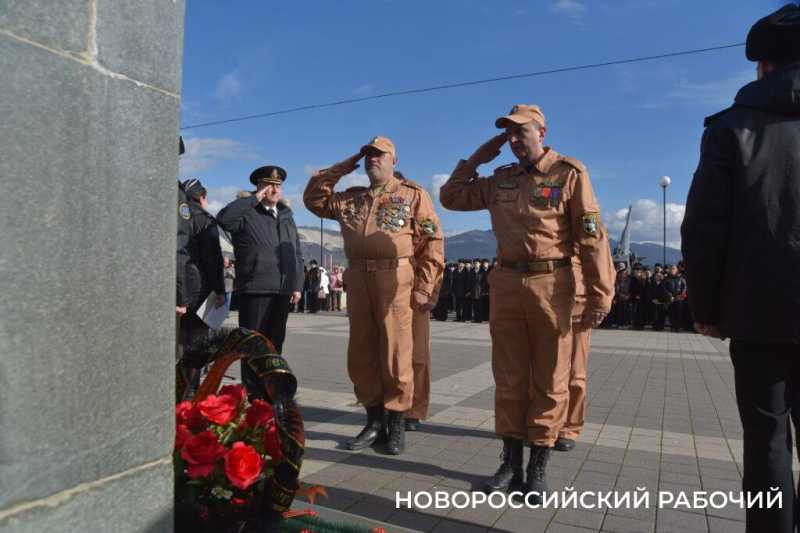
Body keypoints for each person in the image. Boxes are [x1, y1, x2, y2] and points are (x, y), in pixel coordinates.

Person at [440, 104, 614, 501]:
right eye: (510, 134)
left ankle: (538, 465)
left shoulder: (568, 173)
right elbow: (451, 197)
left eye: (522, 132)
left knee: (551, 379)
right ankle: (509, 462)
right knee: (509, 377)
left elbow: (592, 237)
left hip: (554, 284)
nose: (516, 141)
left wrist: (601, 293)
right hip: (506, 283)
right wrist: (479, 157)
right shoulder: (499, 179)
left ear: (543, 131)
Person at [681, 6, 800, 531]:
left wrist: (706, 309)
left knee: (766, 442)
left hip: (758, 315)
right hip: (761, 314)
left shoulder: (729, 129)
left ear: (764, 67)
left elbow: (704, 228)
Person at [304, 136, 444, 455]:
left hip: (396, 277)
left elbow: (433, 242)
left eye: (379, 155)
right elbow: (314, 199)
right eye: (368, 156)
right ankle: (373, 420)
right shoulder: (350, 199)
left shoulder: (412, 195)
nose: (372, 160)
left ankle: (396, 423)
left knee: (396, 352)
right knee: (362, 353)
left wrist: (425, 286)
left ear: (394, 159)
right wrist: (343, 166)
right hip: (358, 277)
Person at [217, 165, 304, 393]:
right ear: (259, 186)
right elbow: (224, 219)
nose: (274, 189)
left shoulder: (286, 216)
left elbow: (296, 252)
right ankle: (253, 395)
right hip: (255, 288)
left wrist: (296, 284)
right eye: (269, 184)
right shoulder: (247, 213)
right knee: (253, 345)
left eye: (278, 185)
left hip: (282, 290)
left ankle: (272, 392)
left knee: (275, 346)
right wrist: (254, 199)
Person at [556, 252, 614, 451]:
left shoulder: (586, 223)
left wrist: (601, 302)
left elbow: (603, 264)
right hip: (545, 307)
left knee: (575, 375)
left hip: (578, 309)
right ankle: (546, 424)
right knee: (543, 373)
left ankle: (569, 428)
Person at [176, 178, 226, 399]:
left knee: (180, 342)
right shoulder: (205, 220)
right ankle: (191, 393)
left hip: (181, 287)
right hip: (200, 288)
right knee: (196, 345)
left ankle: (180, 389)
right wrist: (220, 290)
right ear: (203, 197)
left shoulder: (178, 215)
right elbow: (213, 260)